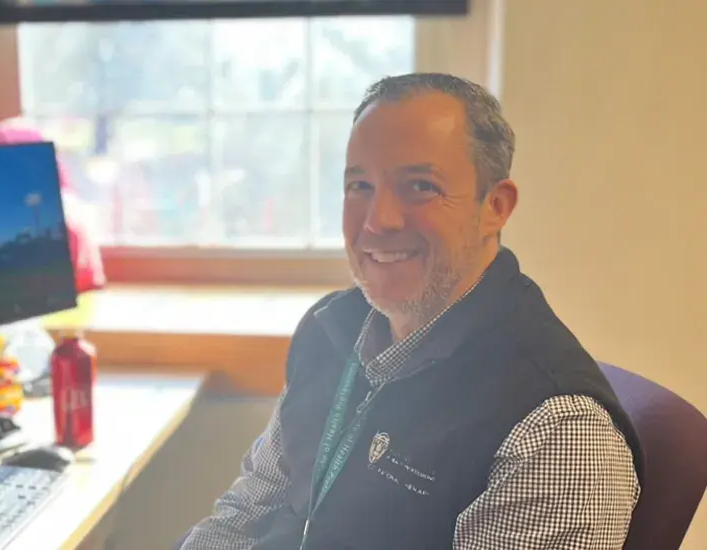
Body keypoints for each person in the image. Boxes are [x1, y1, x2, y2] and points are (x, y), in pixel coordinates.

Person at [180, 73, 643, 549]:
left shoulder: (555, 434)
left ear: (496, 207)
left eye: (420, 186)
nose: (379, 220)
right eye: (359, 185)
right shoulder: (332, 331)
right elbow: (245, 514)